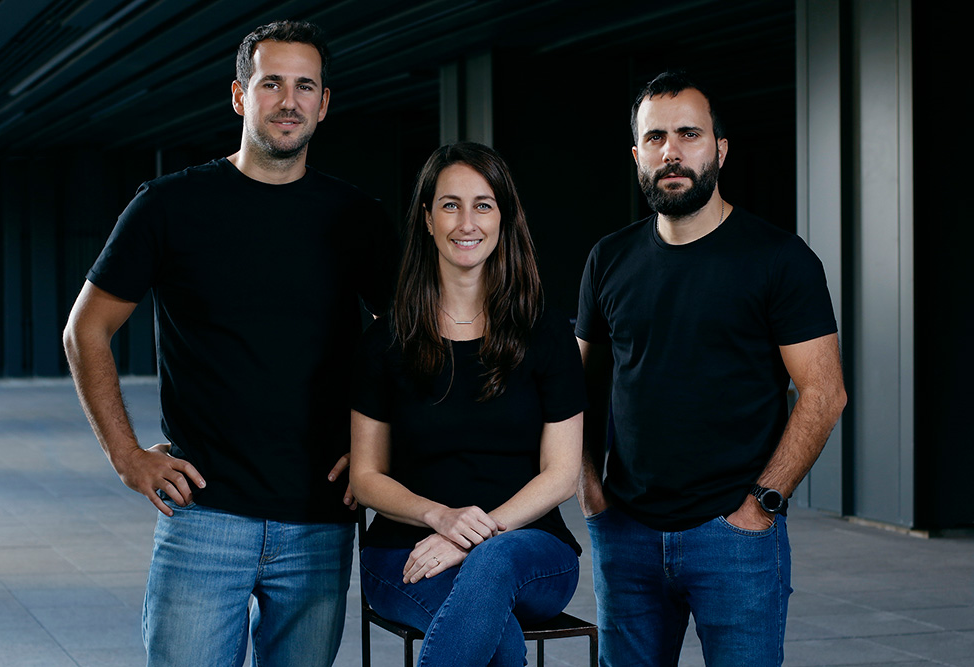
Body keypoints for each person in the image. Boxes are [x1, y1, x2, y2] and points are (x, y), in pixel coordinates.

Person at [63, 20, 398, 667]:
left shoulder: (357, 217)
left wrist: (374, 452)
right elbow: (86, 329)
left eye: (306, 86)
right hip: (204, 516)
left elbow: (405, 340)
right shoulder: (169, 205)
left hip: (319, 520)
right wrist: (126, 455)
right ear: (241, 95)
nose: (290, 100)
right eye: (272, 83)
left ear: (324, 103)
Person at [576, 72, 847, 666]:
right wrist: (591, 492)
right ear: (637, 155)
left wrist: (760, 508)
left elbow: (824, 393)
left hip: (734, 539)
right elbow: (579, 387)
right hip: (625, 533)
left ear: (720, 149)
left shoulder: (779, 259)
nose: (671, 152)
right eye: (655, 139)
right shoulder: (609, 259)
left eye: (689, 134)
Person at [350, 142, 586, 666]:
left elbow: (563, 473)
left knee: (493, 564)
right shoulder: (385, 341)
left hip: (529, 551)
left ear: (503, 218)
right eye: (450, 204)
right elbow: (366, 477)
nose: (466, 221)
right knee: (493, 638)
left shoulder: (546, 336)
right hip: (405, 554)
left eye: (483, 204)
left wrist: (474, 537)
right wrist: (440, 518)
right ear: (428, 220)